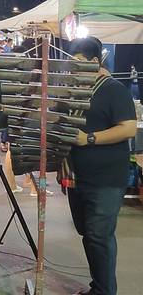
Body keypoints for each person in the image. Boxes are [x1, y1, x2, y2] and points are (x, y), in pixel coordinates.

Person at [68, 37, 136, 295]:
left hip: (106, 178)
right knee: (87, 233)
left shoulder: (113, 89)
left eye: (79, 63)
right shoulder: (76, 89)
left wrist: (89, 139)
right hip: (78, 176)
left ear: (95, 61)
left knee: (99, 235)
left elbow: (128, 128)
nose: (73, 69)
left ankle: (104, 291)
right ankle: (98, 287)